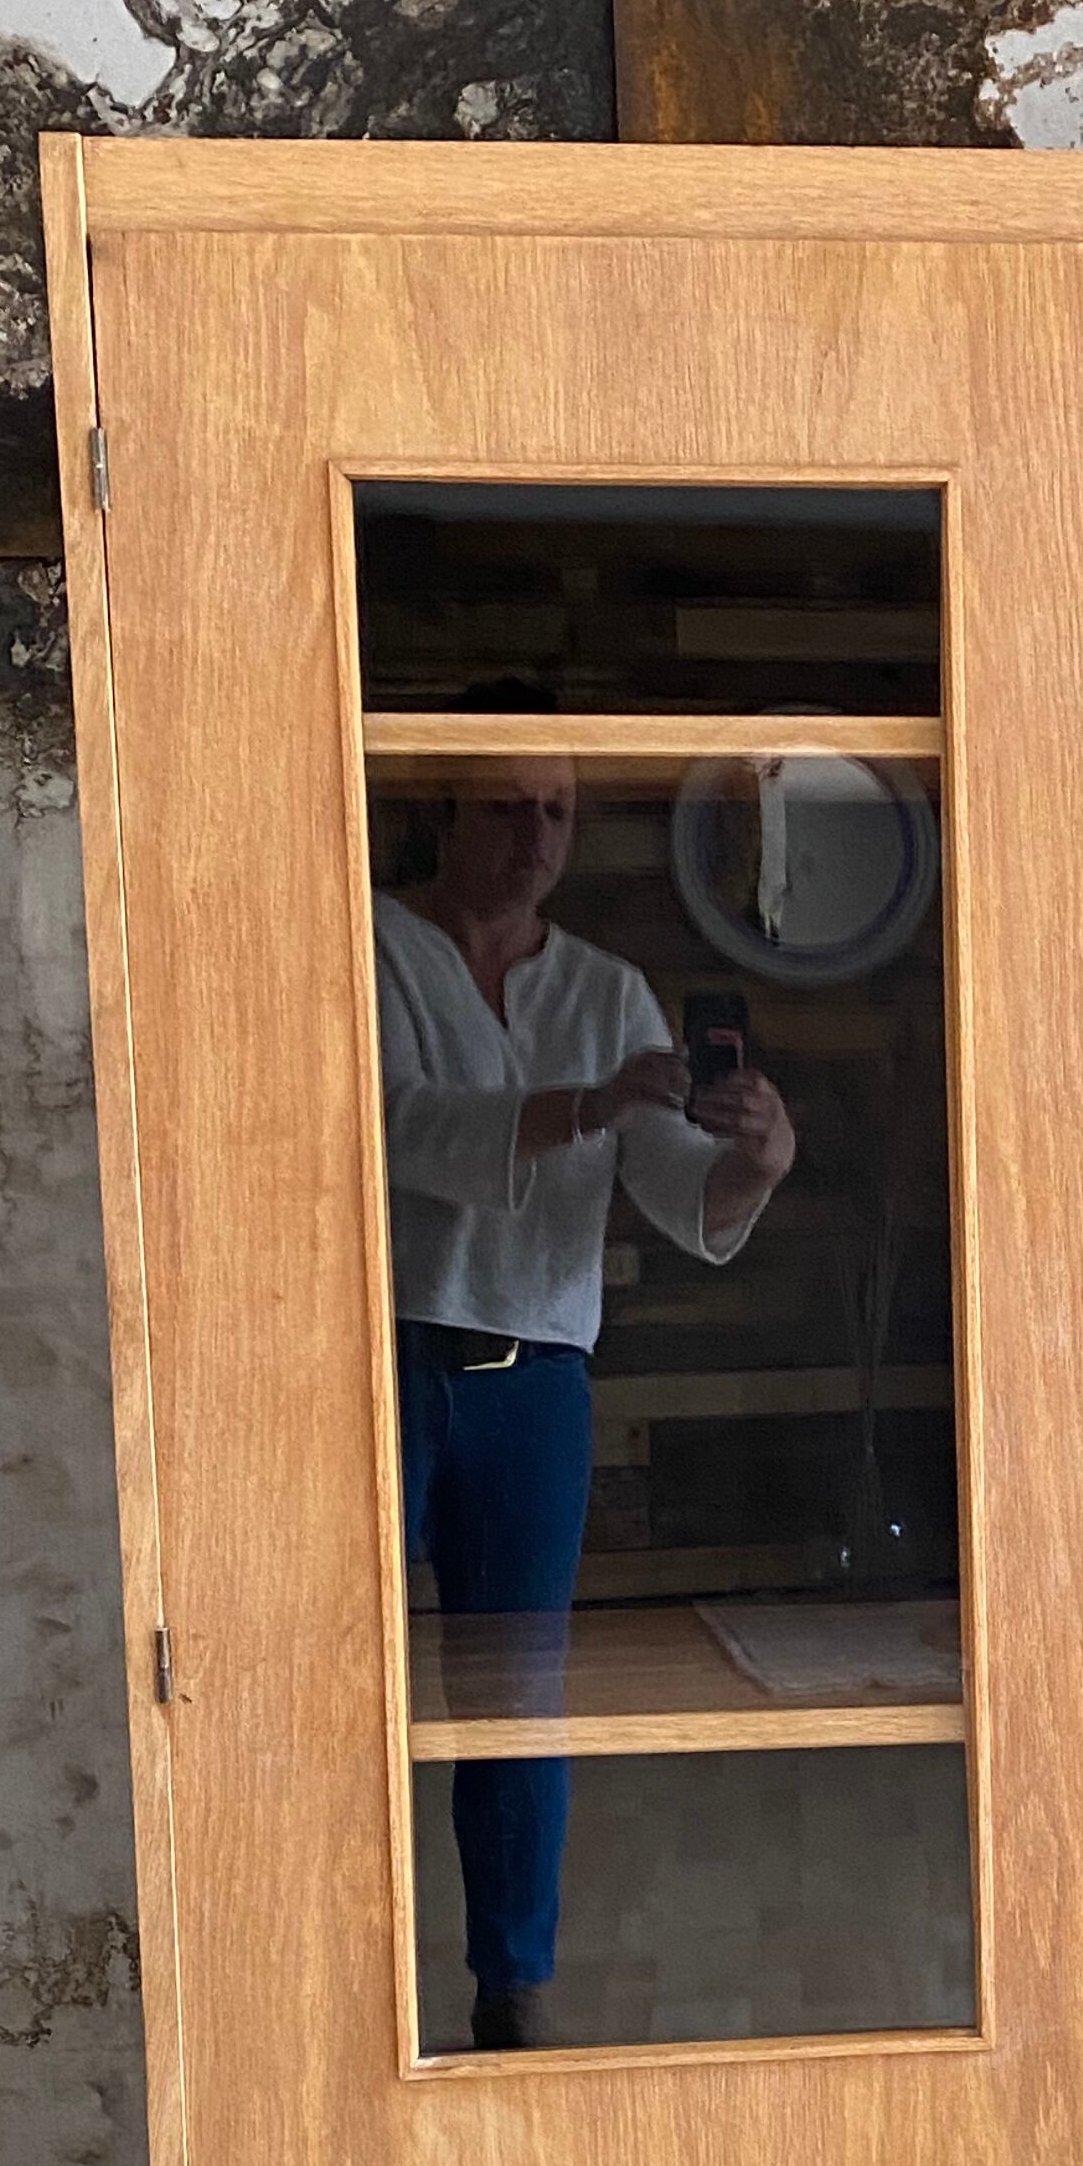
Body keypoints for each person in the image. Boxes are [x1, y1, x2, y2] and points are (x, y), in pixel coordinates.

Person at [378, 718, 795, 2047]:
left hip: (534, 1378)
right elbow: (391, 1127)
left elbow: (678, 1191)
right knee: (329, 1675)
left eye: (557, 810)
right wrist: (588, 1105)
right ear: (442, 810)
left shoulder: (609, 991)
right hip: (373, 1358)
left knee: (516, 1694)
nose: (537, 838)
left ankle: (515, 1989)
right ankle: (324, 1971)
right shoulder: (366, 943)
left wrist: (759, 1162)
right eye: (507, 808)